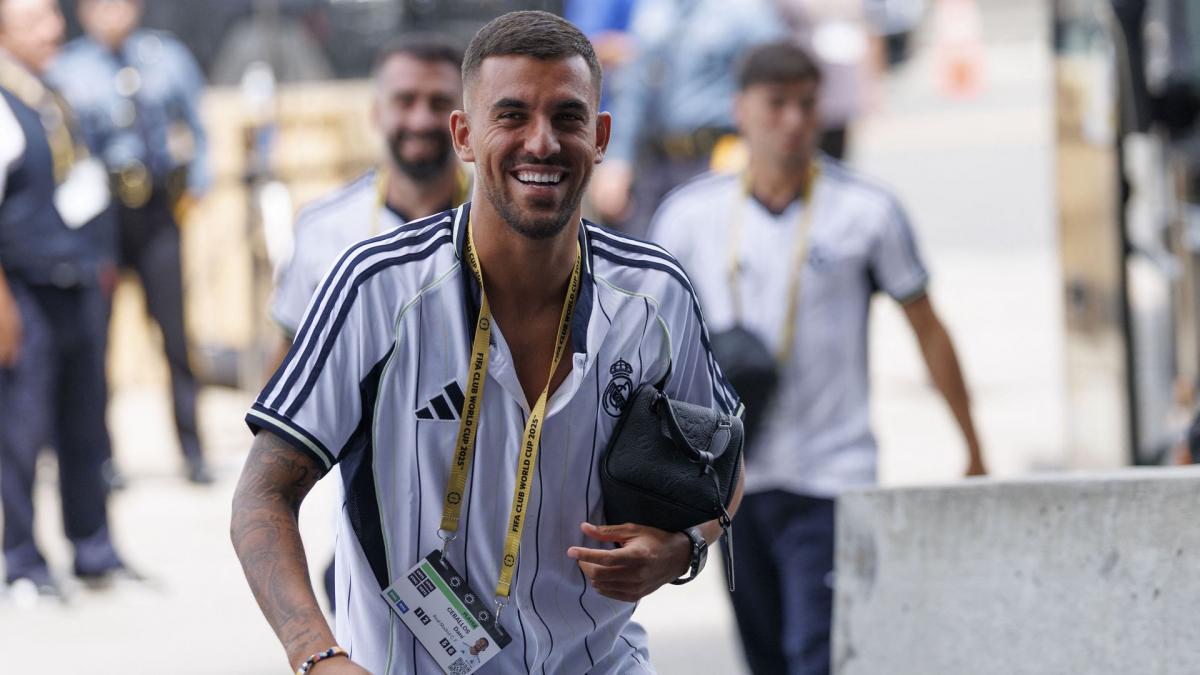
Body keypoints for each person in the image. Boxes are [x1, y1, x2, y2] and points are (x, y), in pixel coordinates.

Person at [231, 11, 742, 674]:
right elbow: (261, 495)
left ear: (601, 135)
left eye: (567, 117)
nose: (542, 142)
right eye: (511, 116)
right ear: (465, 135)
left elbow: (725, 462)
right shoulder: (376, 287)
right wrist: (317, 653)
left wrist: (684, 547)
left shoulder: (657, 293)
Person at [650, 41, 986, 675]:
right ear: (740, 110)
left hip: (833, 474)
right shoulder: (691, 217)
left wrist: (972, 444)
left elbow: (928, 328)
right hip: (731, 483)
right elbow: (645, 347)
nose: (794, 121)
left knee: (820, 655)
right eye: (776, 105)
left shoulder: (866, 211)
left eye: (807, 105)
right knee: (767, 655)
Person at [268, 32, 468, 615]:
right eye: (404, 100)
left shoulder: (506, 220)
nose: (421, 118)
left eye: (439, 103)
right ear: (376, 111)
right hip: (370, 495)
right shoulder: (326, 227)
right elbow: (285, 363)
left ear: (465, 119)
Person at [49, 0, 213, 484]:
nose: (111, 12)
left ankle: (193, 449)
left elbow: (198, 128)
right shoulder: (67, 68)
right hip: (100, 216)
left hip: (159, 212)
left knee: (176, 337)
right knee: (95, 339)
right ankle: (101, 457)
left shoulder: (165, 56)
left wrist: (198, 182)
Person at [0, 0, 127, 598]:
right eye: (34, 22)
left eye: (53, 17)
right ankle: (24, 561)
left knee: (85, 421)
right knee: (22, 431)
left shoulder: (49, 93)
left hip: (75, 283)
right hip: (25, 291)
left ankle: (94, 550)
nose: (53, 30)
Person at [588, 0, 786, 235]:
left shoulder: (748, 12)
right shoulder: (655, 9)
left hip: (718, 157)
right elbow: (633, 87)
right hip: (656, 162)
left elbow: (775, 84)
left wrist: (754, 147)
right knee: (639, 255)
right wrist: (618, 160)